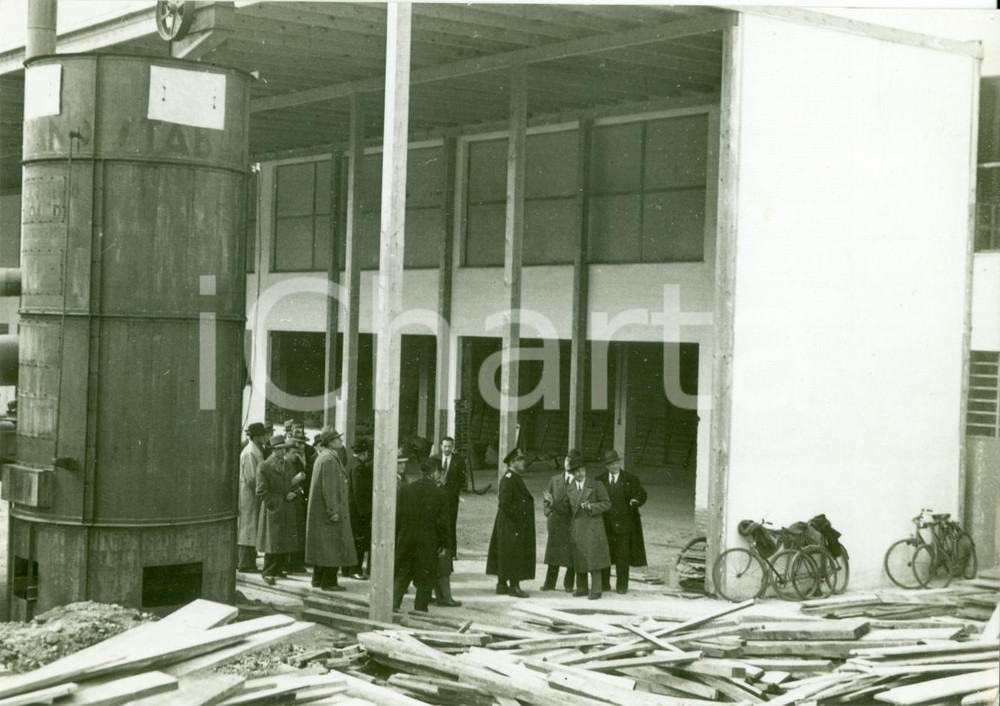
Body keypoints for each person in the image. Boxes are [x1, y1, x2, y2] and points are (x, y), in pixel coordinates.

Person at [305, 427, 357, 591]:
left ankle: (318, 579)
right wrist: (333, 511)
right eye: (338, 439)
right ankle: (329, 582)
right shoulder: (328, 459)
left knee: (324, 546)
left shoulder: (326, 457)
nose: (341, 441)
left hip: (323, 513)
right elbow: (329, 488)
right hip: (329, 513)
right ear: (331, 442)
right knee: (332, 546)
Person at [394, 457, 449, 612]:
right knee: (425, 578)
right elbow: (443, 524)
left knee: (402, 574)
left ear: (420, 472)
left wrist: (398, 536)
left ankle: (392, 605)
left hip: (406, 538)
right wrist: (444, 544)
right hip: (428, 541)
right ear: (435, 473)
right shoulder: (441, 494)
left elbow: (398, 516)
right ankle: (420, 611)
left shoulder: (405, 489)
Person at [595, 449, 647, 594]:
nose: (614, 466)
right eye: (610, 464)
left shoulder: (630, 479)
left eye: (616, 462)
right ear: (606, 466)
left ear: (619, 462)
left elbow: (642, 494)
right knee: (605, 555)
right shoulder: (599, 480)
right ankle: (605, 584)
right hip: (605, 524)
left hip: (625, 525)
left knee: (622, 556)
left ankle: (622, 586)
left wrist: (637, 500)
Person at [486, 447, 536, 597]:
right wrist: (520, 518)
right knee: (514, 553)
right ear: (513, 462)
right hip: (512, 524)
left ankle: (502, 585)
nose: (523, 463)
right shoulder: (509, 478)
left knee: (506, 552)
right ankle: (514, 586)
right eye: (520, 460)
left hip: (510, 523)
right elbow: (504, 503)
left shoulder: (513, 477)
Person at [256, 435, 301, 585]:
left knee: (284, 540)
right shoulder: (264, 466)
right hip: (274, 509)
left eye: (283, 449)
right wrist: (277, 502)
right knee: (273, 542)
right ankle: (268, 571)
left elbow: (293, 482)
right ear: (272, 450)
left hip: (287, 507)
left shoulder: (288, 464)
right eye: (278, 449)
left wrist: (294, 492)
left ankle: (278, 569)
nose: (282, 452)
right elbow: (261, 491)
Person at [568, 459, 612, 600]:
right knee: (579, 557)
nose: (580, 473)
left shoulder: (596, 484)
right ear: (573, 473)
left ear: (585, 470)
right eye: (576, 471)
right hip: (578, 526)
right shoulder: (570, 487)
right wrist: (552, 504)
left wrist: (591, 507)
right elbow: (566, 507)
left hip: (593, 527)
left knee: (594, 559)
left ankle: (596, 590)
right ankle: (581, 588)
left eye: (582, 470)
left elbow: (607, 503)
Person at [540, 449, 583, 592]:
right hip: (556, 523)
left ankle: (568, 584)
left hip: (570, 523)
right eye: (566, 460)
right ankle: (549, 583)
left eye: (570, 461)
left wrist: (553, 504)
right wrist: (549, 513)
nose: (567, 463)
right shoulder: (555, 479)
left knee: (571, 556)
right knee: (553, 554)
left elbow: (572, 506)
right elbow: (546, 499)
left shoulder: (579, 483)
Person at [238, 422, 267, 572]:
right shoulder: (250, 452)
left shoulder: (255, 449)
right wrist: (261, 489)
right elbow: (251, 477)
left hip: (253, 494)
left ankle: (248, 561)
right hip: (249, 495)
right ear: (256, 436)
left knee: (251, 527)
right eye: (263, 434)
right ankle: (245, 563)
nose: (265, 437)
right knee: (248, 528)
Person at [431, 437, 466, 560]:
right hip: (436, 497)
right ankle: (436, 549)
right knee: (435, 522)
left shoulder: (459, 460)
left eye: (449, 446)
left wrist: (456, 492)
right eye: (445, 446)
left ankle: (452, 552)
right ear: (440, 446)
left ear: (453, 447)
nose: (447, 449)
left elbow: (462, 479)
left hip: (451, 498)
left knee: (451, 522)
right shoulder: (434, 459)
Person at [344, 437, 373, 579]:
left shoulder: (350, 463)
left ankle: (346, 569)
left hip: (349, 509)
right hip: (358, 511)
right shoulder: (359, 467)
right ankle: (355, 570)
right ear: (364, 453)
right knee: (359, 541)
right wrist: (366, 513)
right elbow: (359, 493)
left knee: (351, 540)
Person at [284, 429, 311, 573]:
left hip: (301, 497)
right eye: (298, 443)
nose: (301, 446)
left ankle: (296, 561)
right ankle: (290, 563)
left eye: (302, 443)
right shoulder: (289, 459)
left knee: (298, 530)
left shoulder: (304, 456)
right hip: (292, 497)